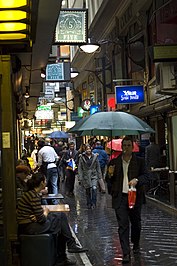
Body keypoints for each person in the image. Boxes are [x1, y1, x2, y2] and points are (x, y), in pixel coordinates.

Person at [17, 172, 88, 266]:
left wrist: (40, 214)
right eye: (45, 180)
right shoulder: (33, 195)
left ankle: (64, 254)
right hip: (29, 227)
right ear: (42, 182)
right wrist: (45, 212)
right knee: (60, 222)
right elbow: (42, 219)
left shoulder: (32, 194)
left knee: (60, 218)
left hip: (30, 224)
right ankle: (66, 251)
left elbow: (37, 214)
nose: (46, 182)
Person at [108, 136, 148, 263]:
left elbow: (147, 176)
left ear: (133, 147)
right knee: (123, 225)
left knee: (136, 224)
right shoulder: (114, 162)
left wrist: (137, 180)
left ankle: (135, 244)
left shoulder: (140, 161)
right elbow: (108, 180)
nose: (126, 148)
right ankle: (126, 252)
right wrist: (110, 174)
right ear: (121, 147)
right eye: (124, 145)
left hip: (135, 197)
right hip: (120, 198)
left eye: (128, 145)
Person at [78, 144, 102, 209]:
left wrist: (100, 176)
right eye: (87, 149)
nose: (88, 150)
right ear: (85, 150)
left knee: (94, 188)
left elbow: (98, 166)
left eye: (89, 149)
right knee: (88, 190)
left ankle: (94, 202)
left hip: (93, 175)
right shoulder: (82, 157)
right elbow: (80, 168)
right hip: (86, 176)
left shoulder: (95, 156)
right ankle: (89, 203)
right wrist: (80, 177)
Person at [37, 139, 59, 204]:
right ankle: (55, 201)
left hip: (47, 168)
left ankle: (45, 201)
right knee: (54, 185)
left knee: (45, 184)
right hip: (54, 167)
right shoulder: (51, 148)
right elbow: (57, 157)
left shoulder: (41, 151)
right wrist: (54, 162)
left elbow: (40, 163)